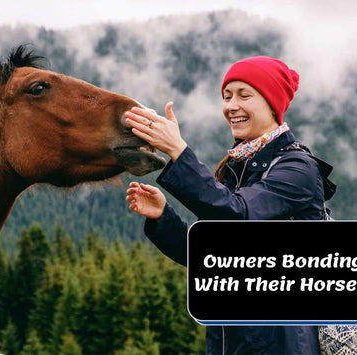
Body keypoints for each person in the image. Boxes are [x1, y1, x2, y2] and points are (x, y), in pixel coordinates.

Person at [124, 56, 333, 354]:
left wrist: (177, 149)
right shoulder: (239, 166)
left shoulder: (297, 169)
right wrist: (162, 217)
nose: (231, 106)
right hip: (231, 340)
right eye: (227, 96)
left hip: (282, 343)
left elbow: (238, 214)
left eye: (244, 95)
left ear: (272, 103)